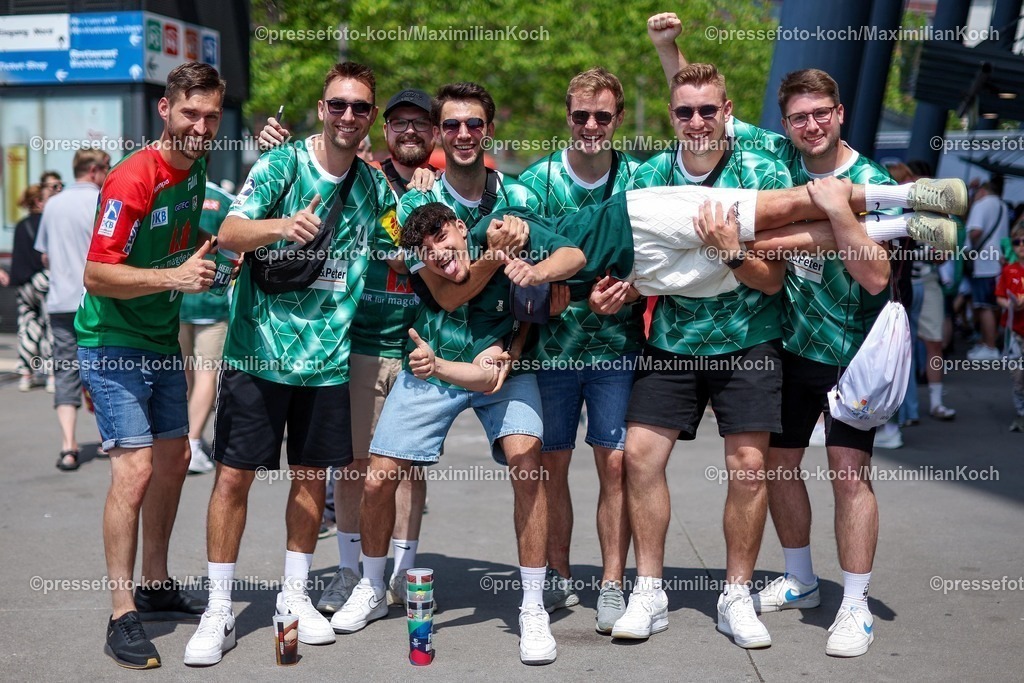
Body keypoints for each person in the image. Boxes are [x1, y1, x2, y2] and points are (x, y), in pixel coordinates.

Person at [647, 16, 957, 656]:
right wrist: (666, 48)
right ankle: (800, 578)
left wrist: (842, 209)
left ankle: (854, 605)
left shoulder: (871, 180)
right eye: (798, 117)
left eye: (820, 114)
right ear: (785, 123)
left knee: (848, 473)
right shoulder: (775, 157)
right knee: (783, 468)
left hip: (852, 350)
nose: (810, 126)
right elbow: (697, 106)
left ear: (840, 114)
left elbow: (874, 277)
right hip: (790, 347)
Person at [184, 62, 397, 667]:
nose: (348, 116)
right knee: (232, 478)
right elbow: (227, 231)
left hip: (327, 363)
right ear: (322, 107)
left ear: (370, 116)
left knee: (310, 480)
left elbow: (401, 244)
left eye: (360, 107)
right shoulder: (282, 165)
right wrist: (283, 225)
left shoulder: (373, 184)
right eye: (338, 105)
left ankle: (293, 597)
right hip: (257, 353)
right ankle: (218, 609)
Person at [333, 201, 582, 666]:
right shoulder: (426, 266)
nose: (438, 252)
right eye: (427, 249)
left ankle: (531, 605)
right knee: (377, 475)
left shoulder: (504, 224)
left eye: (443, 239)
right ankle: (371, 586)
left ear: (463, 227)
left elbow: (574, 256)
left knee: (528, 466)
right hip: (432, 367)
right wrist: (495, 256)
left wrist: (541, 279)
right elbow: (454, 295)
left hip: (504, 368)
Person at [608, 61, 791, 649]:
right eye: (684, 111)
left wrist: (734, 251)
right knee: (638, 456)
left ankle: (737, 594)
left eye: (707, 109)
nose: (696, 120)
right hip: (672, 340)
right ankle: (649, 589)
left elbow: (770, 282)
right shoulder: (648, 176)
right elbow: (634, 269)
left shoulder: (762, 171)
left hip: (748, 338)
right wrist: (618, 289)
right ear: (671, 116)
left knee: (747, 468)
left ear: (727, 110)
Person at [260, 88, 435, 612]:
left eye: (419, 124)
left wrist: (425, 202)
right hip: (358, 343)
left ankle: (403, 573)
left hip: (417, 348)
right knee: (355, 465)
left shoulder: (443, 186)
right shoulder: (364, 179)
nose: (409, 132)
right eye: (399, 122)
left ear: (432, 133)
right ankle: (350, 570)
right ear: (384, 128)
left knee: (408, 468)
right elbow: (397, 253)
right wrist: (271, 145)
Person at [75, 62, 224, 669]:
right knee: (134, 470)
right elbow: (96, 272)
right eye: (191, 113)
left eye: (212, 115)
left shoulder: (199, 166)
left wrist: (203, 264)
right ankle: (122, 611)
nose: (202, 125)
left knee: (176, 458)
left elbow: (177, 245)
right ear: (165, 110)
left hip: (160, 340)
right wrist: (174, 277)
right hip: (111, 339)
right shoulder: (135, 176)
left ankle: (157, 583)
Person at [517, 67, 642, 629]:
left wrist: (630, 285)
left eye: (603, 116)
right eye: (580, 116)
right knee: (552, 465)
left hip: (617, 346)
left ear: (617, 119)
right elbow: (524, 263)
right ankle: (561, 577)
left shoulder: (640, 178)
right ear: (566, 117)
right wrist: (563, 281)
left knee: (615, 464)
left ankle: (613, 583)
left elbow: (656, 258)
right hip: (554, 351)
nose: (591, 125)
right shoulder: (536, 181)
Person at [35, 149, 110, 471]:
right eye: (106, 168)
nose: (108, 174)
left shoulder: (53, 204)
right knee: (104, 368)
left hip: (60, 299)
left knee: (65, 369)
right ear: (93, 170)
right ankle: (109, 440)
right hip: (95, 299)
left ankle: (68, 445)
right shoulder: (102, 200)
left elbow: (45, 256)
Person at [178, 180, 236, 474]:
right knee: (206, 376)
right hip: (212, 303)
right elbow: (235, 247)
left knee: (186, 377)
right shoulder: (225, 199)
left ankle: (183, 440)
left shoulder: (177, 194)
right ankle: (192, 442)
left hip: (176, 299)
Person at [10, 184, 53, 392]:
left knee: (27, 326)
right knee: (49, 326)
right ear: (39, 201)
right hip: (43, 281)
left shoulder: (21, 225)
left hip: (24, 284)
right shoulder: (47, 223)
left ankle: (26, 375)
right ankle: (51, 374)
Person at [966, 177, 1011, 361]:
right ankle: (989, 343)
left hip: (984, 262)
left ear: (982, 191)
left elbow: (976, 231)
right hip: (999, 261)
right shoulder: (1002, 205)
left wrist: (968, 242)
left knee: (983, 305)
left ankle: (990, 347)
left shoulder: (981, 205)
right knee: (995, 305)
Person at [996, 225, 1024, 432]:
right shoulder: (1009, 270)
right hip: (1015, 332)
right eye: (1017, 242)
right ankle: (1021, 412)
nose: (1021, 246)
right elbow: (1000, 297)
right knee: (1017, 376)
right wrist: (1012, 305)